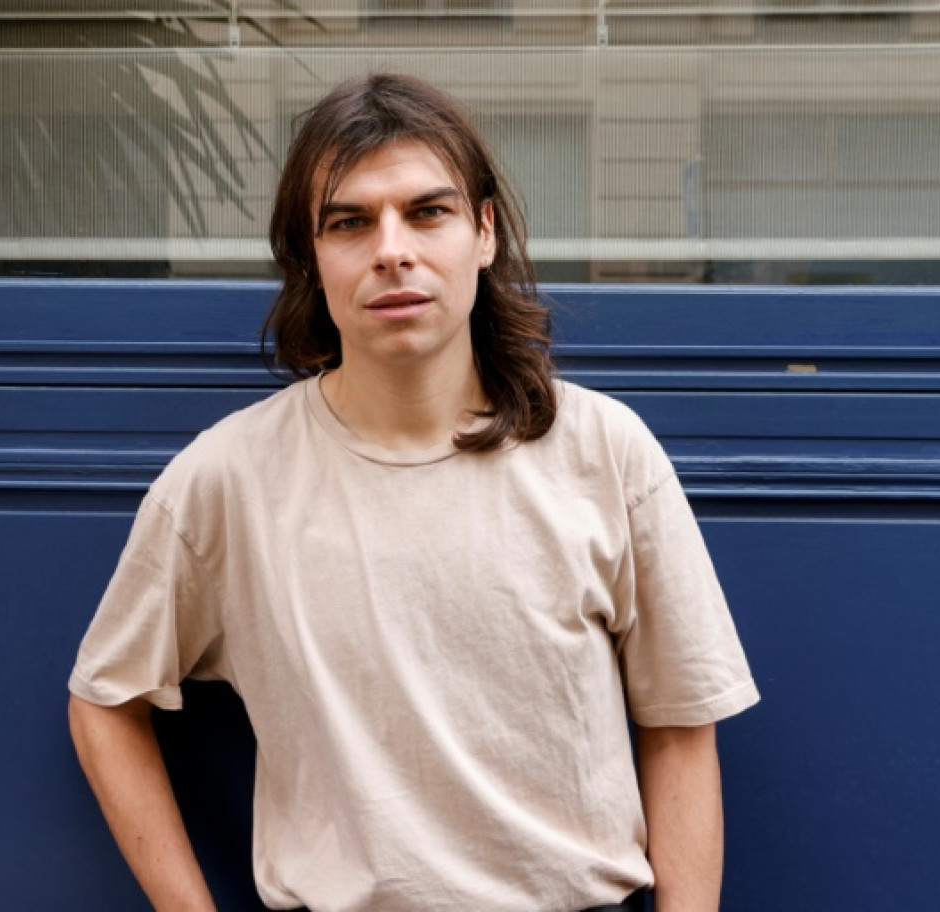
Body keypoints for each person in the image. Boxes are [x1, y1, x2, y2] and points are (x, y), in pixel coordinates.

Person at [68, 73, 759, 912]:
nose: (392, 249)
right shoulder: (229, 479)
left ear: (485, 232)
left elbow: (683, 728)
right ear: (312, 258)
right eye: (350, 222)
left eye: (427, 212)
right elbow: (103, 704)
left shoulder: (603, 451)